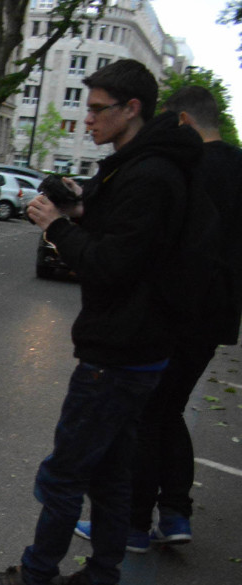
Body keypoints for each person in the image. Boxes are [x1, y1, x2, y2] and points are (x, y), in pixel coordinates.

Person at [0, 59, 201, 585]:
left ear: (132, 108)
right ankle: (101, 580)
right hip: (141, 348)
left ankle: (35, 578)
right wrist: (78, 208)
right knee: (112, 473)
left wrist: (57, 225)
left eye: (97, 110)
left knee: (65, 472)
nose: (86, 120)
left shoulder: (150, 174)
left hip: (118, 351)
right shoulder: (148, 165)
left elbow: (111, 265)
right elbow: (127, 238)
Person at [79, 85, 242, 550]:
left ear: (184, 123)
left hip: (177, 309)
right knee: (168, 409)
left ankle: (131, 522)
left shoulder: (186, 168)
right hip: (218, 314)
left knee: (148, 413)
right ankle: (174, 513)